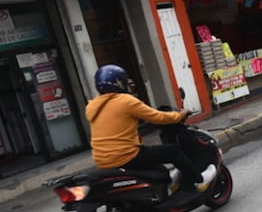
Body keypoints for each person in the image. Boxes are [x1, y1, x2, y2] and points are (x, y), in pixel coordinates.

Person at [86, 64, 216, 194]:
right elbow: (157, 117)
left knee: (157, 164)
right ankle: (199, 180)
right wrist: (180, 115)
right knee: (173, 152)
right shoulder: (126, 101)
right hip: (126, 155)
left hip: (102, 160)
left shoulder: (92, 106)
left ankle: (164, 189)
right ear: (119, 83)